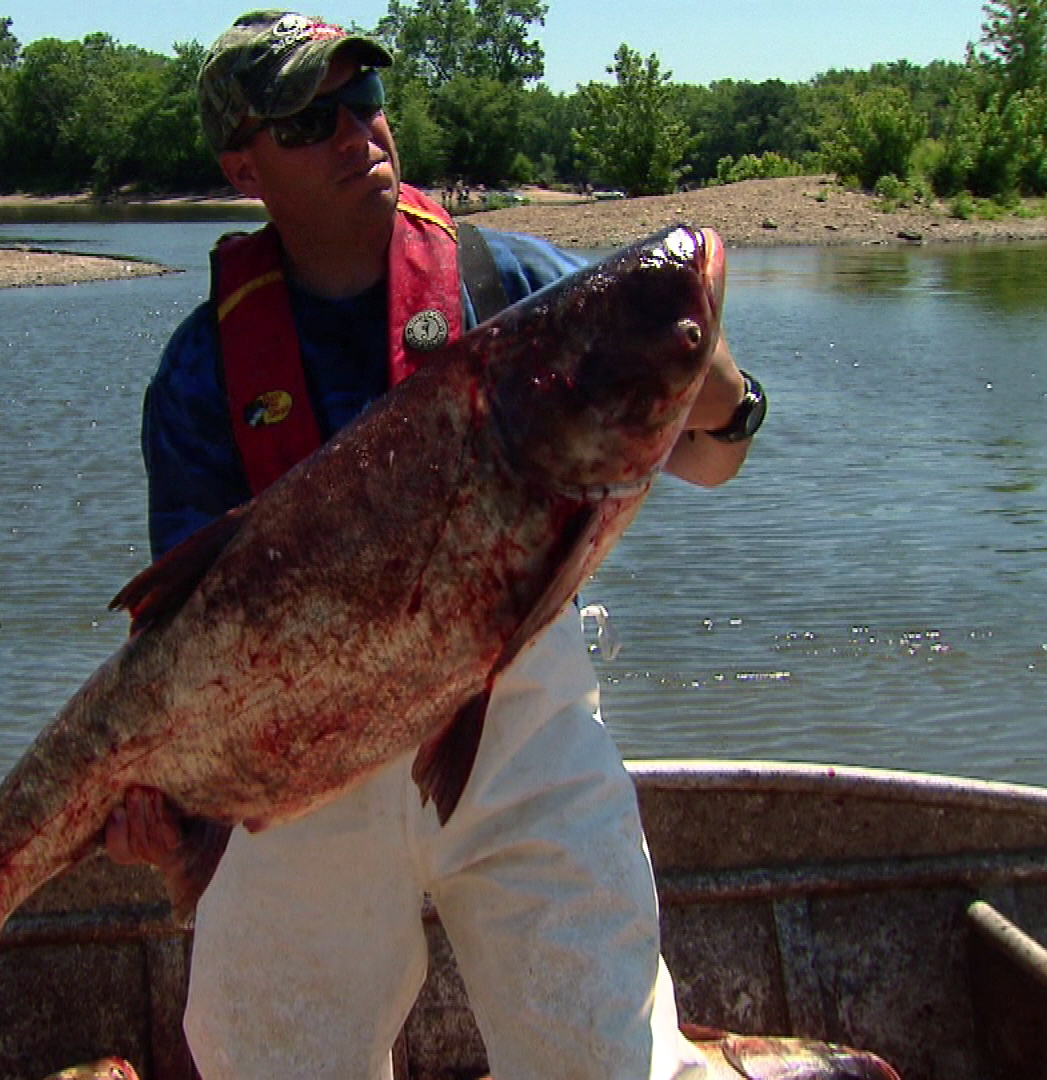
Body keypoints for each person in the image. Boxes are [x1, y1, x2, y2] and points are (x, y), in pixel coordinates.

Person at [107, 10, 766, 1080]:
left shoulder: (510, 280)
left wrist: (718, 384)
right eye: (309, 117)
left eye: (364, 100)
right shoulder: (200, 373)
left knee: (603, 1051)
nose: (356, 129)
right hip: (309, 751)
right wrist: (171, 800)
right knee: (271, 1057)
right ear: (242, 162)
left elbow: (710, 461)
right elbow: (193, 636)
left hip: (521, 719)